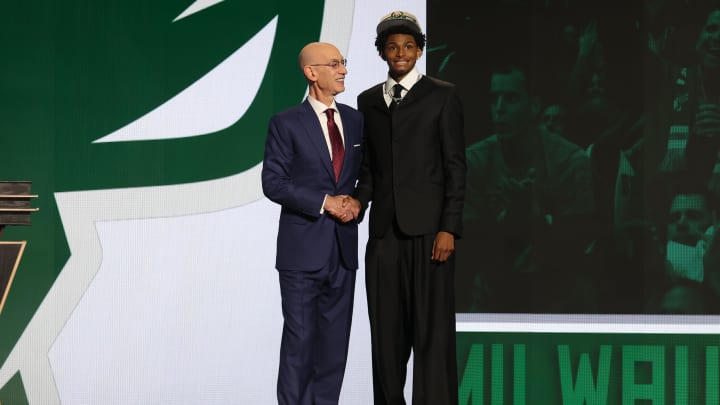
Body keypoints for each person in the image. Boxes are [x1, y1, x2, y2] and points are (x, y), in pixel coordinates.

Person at [351, 10, 466, 404]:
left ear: (419, 50)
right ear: (382, 52)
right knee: (385, 339)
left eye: (408, 46)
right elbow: (368, 168)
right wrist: (357, 202)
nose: (400, 53)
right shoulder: (367, 101)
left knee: (432, 338)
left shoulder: (443, 95)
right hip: (384, 236)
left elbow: (455, 166)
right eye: (392, 47)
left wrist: (449, 227)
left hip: (431, 235)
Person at [261, 42, 363, 405]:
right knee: (300, 344)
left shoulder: (355, 119)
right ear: (311, 72)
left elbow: (364, 177)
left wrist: (358, 201)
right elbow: (273, 183)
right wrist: (324, 202)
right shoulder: (286, 122)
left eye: (343, 63)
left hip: (343, 252)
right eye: (334, 64)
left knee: (334, 349)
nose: (343, 70)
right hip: (302, 253)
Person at [460, 64, 596, 313]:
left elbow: (578, 243)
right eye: (494, 99)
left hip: (556, 287)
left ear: (533, 106)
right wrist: (504, 218)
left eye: (510, 98)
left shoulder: (570, 160)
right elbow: (467, 244)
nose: (499, 108)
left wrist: (534, 214)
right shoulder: (474, 161)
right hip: (492, 284)